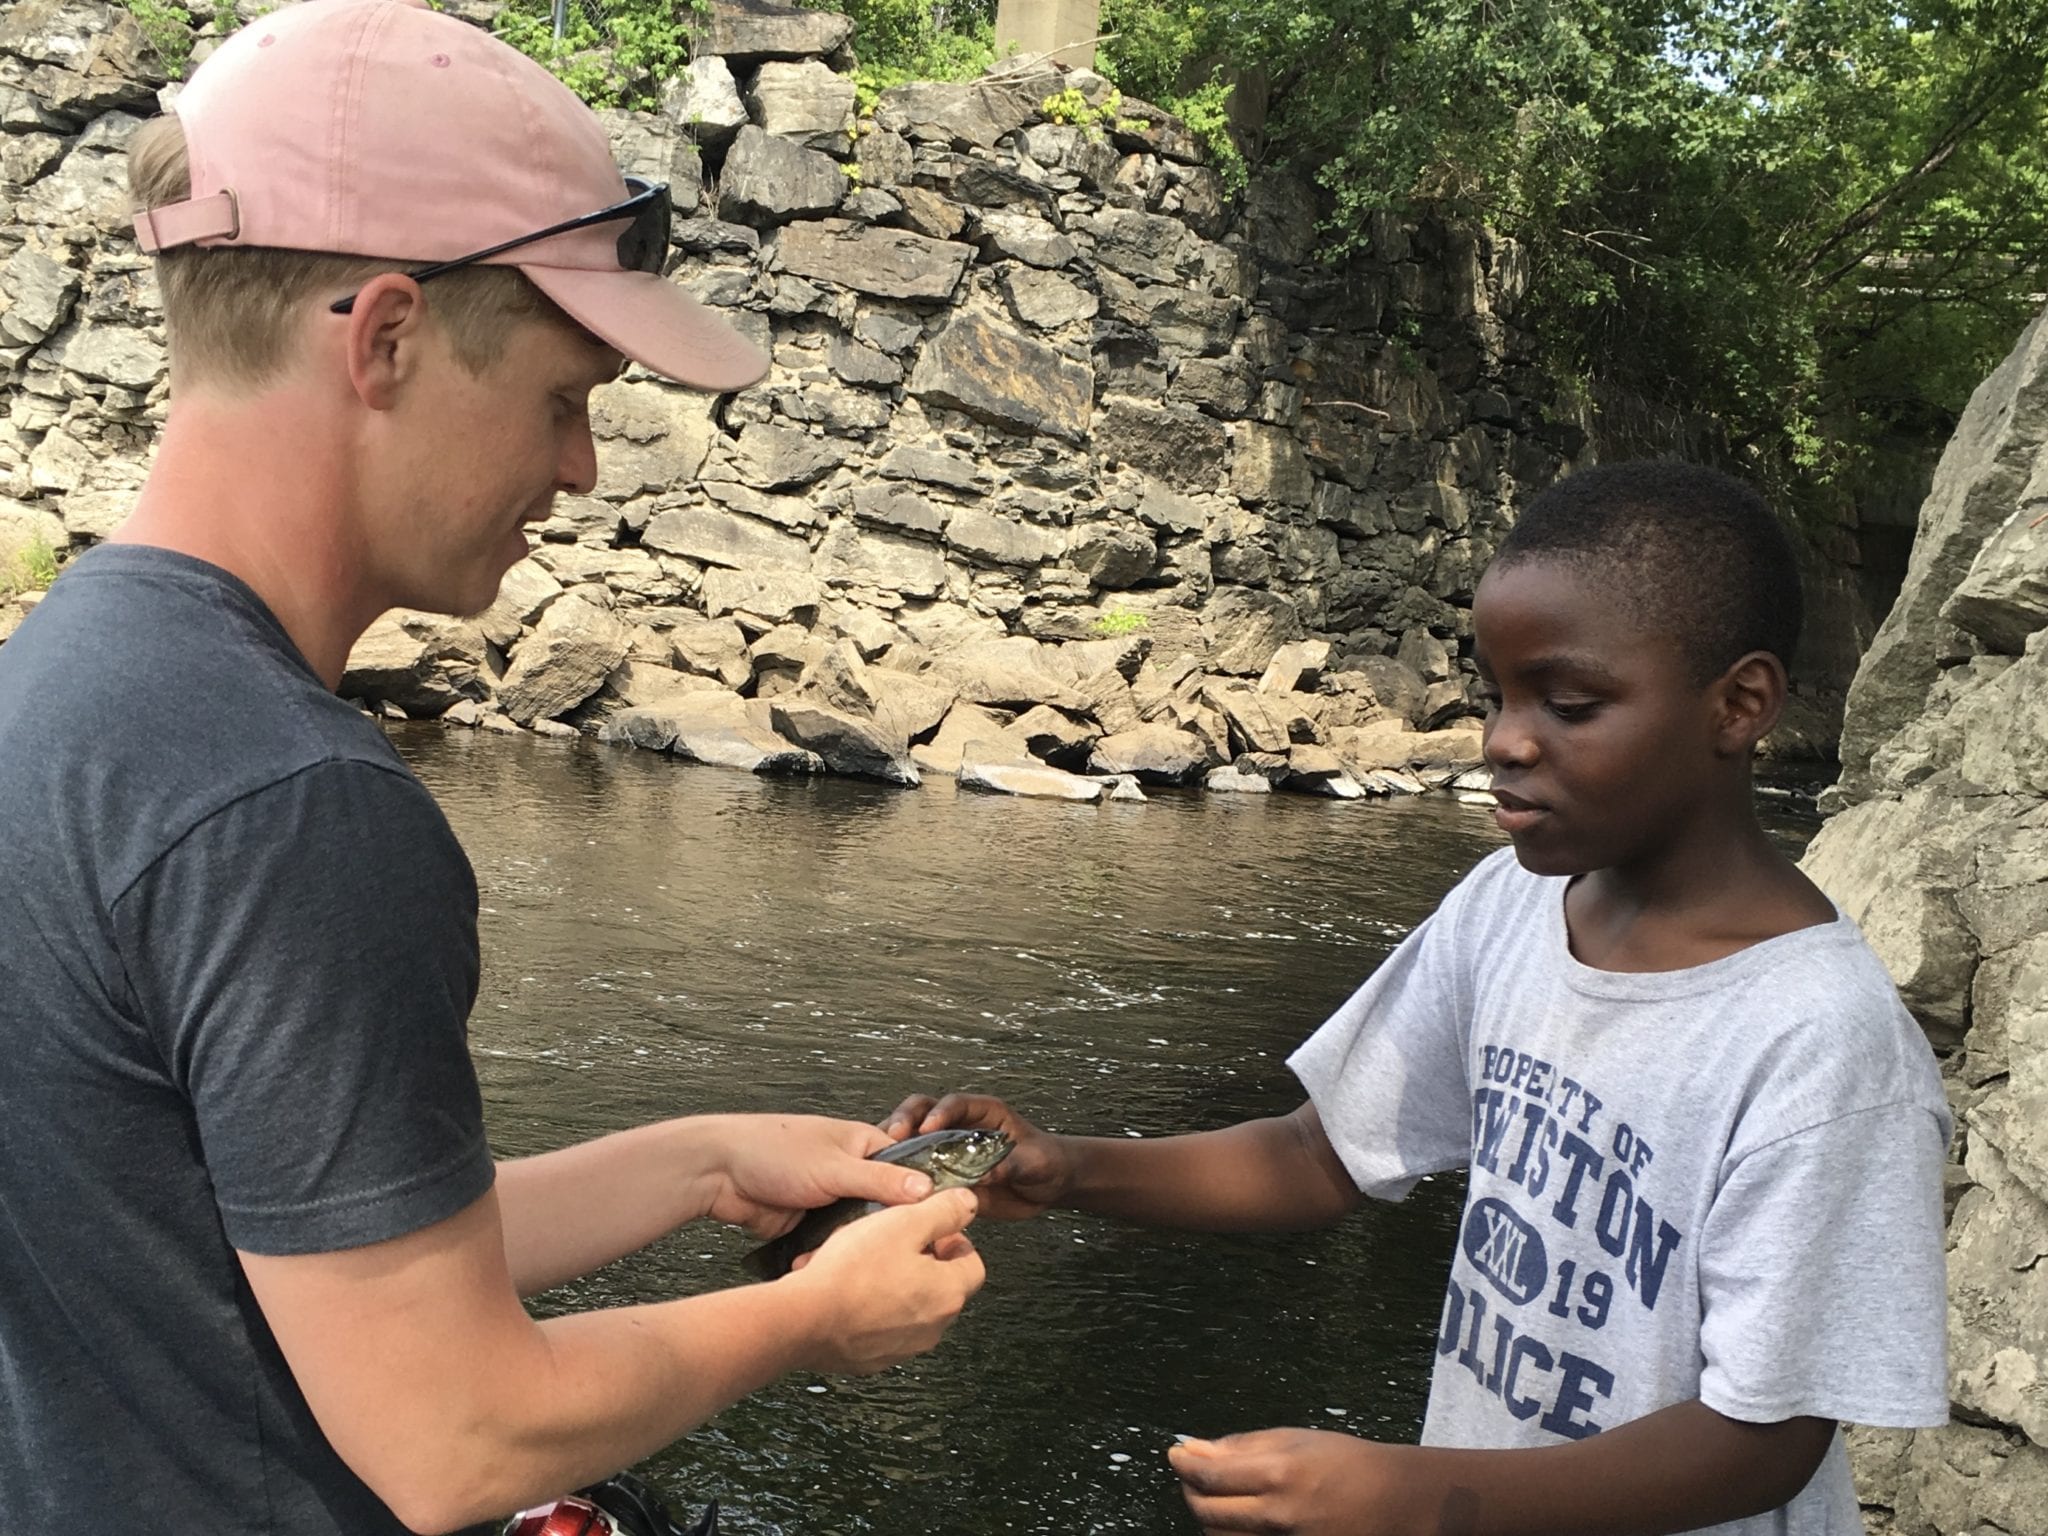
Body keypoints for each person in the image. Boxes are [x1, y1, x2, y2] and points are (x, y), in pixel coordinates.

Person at [0, 2, 985, 1532]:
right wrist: (810, 1320)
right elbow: (454, 1432)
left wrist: (696, 1157)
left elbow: (291, 1249)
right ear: (387, 337)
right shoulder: (292, 804)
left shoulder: (66, 687)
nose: (582, 465)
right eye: (563, 396)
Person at [889, 460, 1951, 1536]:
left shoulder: (1820, 1046)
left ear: (1738, 704)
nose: (1503, 739)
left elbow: (1761, 1442)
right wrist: (1066, 1167)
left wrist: (1405, 1496)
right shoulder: (1510, 904)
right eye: (1498, 694)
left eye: (1568, 704)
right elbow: (1315, 1155)